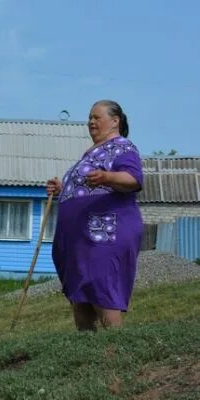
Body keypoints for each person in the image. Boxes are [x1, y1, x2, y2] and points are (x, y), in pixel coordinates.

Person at [46, 100, 143, 331]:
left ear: (115, 121)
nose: (90, 122)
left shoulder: (121, 147)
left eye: (96, 117)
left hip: (104, 231)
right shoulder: (91, 154)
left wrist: (108, 177)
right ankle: (87, 356)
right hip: (80, 237)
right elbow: (86, 188)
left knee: (102, 287)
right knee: (82, 295)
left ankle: (115, 353)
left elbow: (134, 179)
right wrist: (62, 188)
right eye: (89, 117)